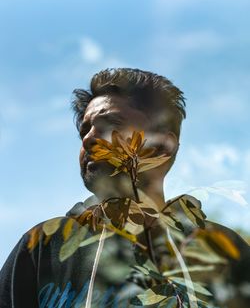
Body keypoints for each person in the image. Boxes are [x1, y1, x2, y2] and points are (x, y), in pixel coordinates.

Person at [0, 68, 249, 308]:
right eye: (84, 130)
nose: (88, 139)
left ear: (162, 146)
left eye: (110, 124)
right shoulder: (43, 245)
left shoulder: (224, 251)